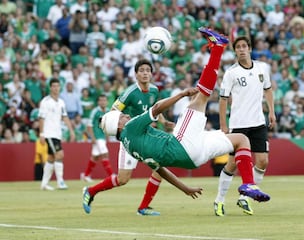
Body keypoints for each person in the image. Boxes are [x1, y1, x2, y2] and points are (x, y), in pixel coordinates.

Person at [83, 27, 270, 215]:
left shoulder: (131, 147)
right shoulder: (130, 127)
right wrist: (181, 94)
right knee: (201, 97)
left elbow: (162, 171)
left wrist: (185, 189)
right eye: (122, 117)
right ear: (119, 125)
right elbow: (155, 109)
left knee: (241, 140)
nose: (125, 116)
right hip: (182, 144)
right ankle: (218, 46)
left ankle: (249, 185)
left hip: (194, 158)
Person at [82, 58, 175, 216]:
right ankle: (90, 191)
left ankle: (143, 207)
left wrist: (164, 122)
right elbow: (113, 111)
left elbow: (155, 109)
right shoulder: (130, 93)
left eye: (148, 70)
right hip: (131, 139)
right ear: (136, 74)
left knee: (160, 168)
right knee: (122, 179)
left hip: (147, 137)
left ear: (151, 74)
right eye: (142, 71)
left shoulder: (154, 90)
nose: (145, 73)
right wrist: (126, 123)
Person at [214, 35, 276, 216]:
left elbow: (268, 89)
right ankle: (219, 200)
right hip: (238, 125)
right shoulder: (231, 72)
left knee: (263, 161)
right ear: (235, 51)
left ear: (249, 48)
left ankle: (245, 198)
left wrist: (271, 111)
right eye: (238, 47)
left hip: (258, 122)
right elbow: (223, 99)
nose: (241, 49)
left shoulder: (262, 68)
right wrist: (223, 125)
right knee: (232, 165)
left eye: (244, 46)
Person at [38, 78, 75, 191]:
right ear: (50, 87)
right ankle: (60, 182)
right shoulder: (45, 102)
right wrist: (42, 133)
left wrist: (71, 131)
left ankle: (44, 184)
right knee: (60, 155)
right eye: (54, 86)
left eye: (57, 86)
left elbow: (64, 117)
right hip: (49, 133)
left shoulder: (61, 102)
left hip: (57, 133)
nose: (56, 88)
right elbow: (41, 118)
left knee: (51, 157)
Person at [82, 94, 113, 182]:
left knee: (95, 157)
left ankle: (86, 175)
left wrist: (107, 135)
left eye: (104, 100)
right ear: (98, 102)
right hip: (97, 137)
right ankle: (111, 175)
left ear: (107, 102)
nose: (103, 102)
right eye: (101, 100)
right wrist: (92, 137)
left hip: (102, 137)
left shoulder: (108, 111)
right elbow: (89, 125)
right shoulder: (94, 111)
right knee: (105, 154)